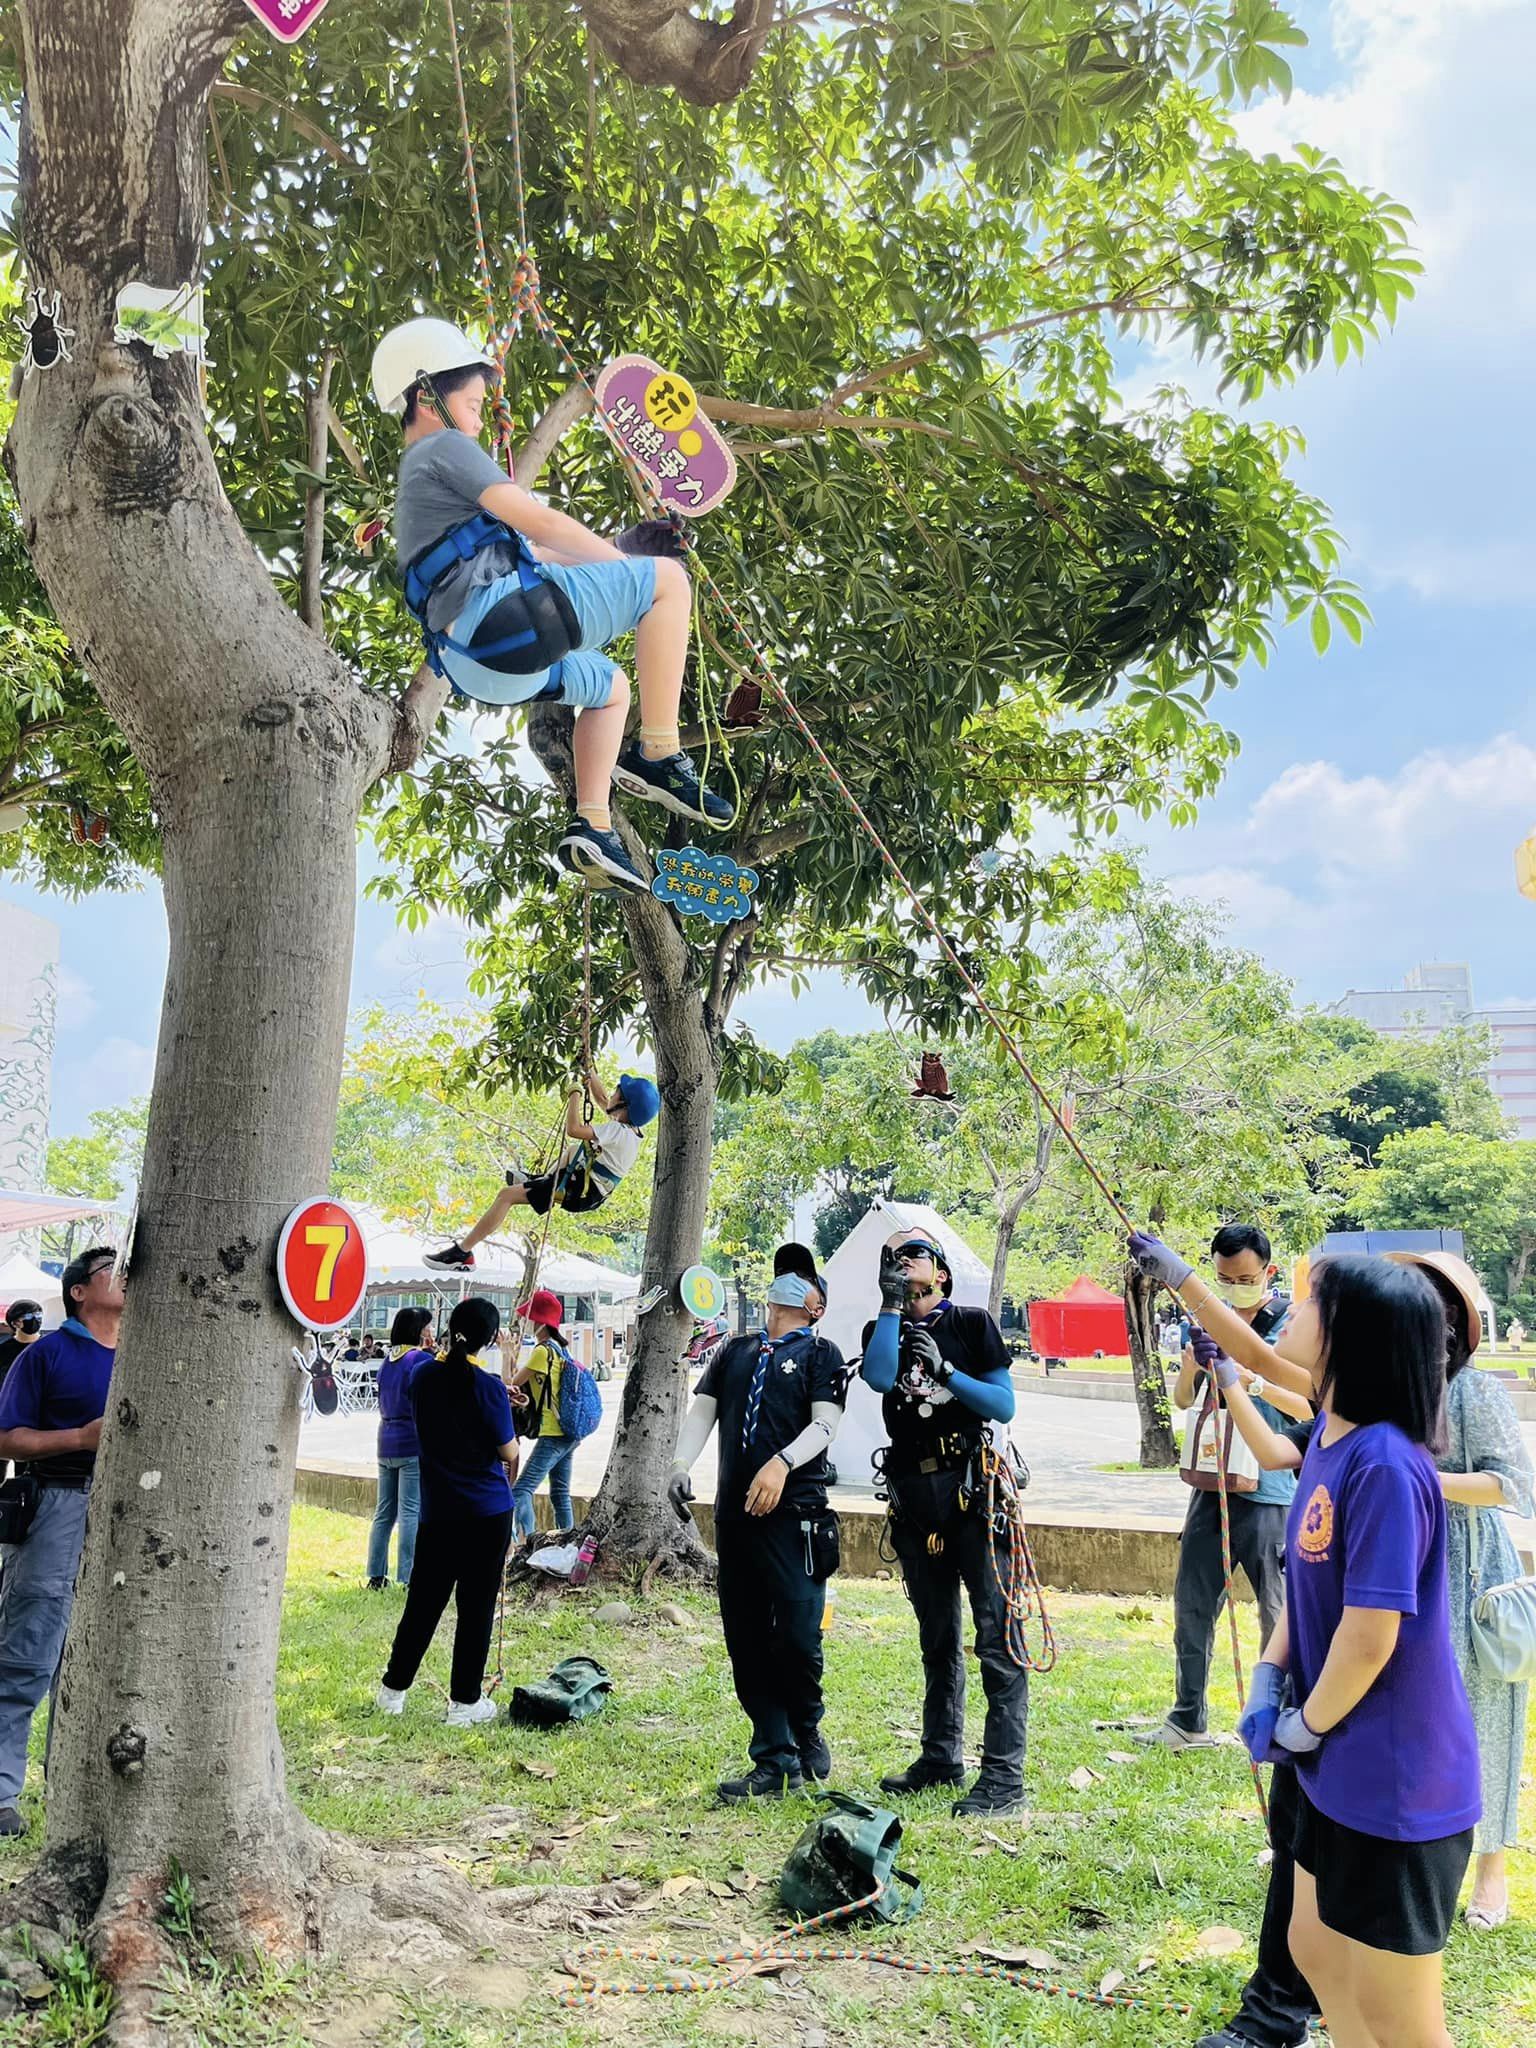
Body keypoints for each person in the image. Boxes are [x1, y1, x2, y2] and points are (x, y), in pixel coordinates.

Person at [1133, 1234, 1481, 2048]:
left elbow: (1369, 1636)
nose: (1293, 1309)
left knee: (1401, 2016)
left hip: (1396, 1782)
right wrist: (1269, 1675)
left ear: (1346, 1338)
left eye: (1313, 1301)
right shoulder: (1333, 1427)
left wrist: (1305, 1723)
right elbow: (1314, 1585)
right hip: (1332, 1765)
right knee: (1316, 1953)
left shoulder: (1388, 1466)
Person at [370, 317, 729, 895]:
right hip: (505, 622)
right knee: (669, 583)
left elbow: (534, 553)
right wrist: (635, 569)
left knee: (612, 688)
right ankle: (659, 751)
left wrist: (624, 550)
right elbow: (542, 520)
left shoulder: (422, 488)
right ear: (426, 396)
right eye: (472, 401)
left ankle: (592, 825)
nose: (482, 415)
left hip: (478, 662)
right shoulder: (443, 447)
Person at [667, 1243, 847, 1800]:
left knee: (796, 1635)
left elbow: (825, 1426)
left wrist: (781, 1462)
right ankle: (772, 1757)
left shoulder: (823, 1355)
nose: (789, 1283)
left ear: (816, 1306)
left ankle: (806, 1727)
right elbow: (703, 1413)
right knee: (745, 1638)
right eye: (783, 1275)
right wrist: (679, 1463)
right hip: (735, 1519)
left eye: (803, 1278)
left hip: (796, 1518)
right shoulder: (734, 1351)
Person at [1385, 1249, 1532, 1932]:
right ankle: (1415, 1855)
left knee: (1484, 1721)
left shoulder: (1473, 1391)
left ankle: (1492, 1867)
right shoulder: (1381, 1386)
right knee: (1414, 1721)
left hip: (1471, 1574)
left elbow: (1514, 1485)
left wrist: (1424, 1483)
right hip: (1404, 1563)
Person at [861, 1231, 1028, 1819]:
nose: (904, 1261)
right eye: (895, 1255)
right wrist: (887, 1307)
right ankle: (941, 1756)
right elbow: (880, 1378)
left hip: (970, 1492)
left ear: (942, 1273)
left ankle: (1005, 1777)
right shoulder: (883, 1327)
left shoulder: (973, 1323)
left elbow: (1002, 1406)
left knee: (997, 1637)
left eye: (916, 1253)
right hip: (913, 1497)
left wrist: (949, 1372)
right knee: (937, 1638)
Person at [1138, 1223, 1310, 1753]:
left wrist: (1248, 1379)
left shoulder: (1293, 1327)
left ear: (1269, 1273)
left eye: (1246, 1278)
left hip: (1271, 1490)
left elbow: (1308, 1408)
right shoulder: (1208, 1320)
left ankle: (1279, 1718)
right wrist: (1193, 1366)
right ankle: (1188, 1716)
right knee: (1192, 1603)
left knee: (1276, 1612)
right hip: (1211, 1485)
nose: (1236, 1287)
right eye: (1224, 1278)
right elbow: (1185, 1400)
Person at [0, 1246, 121, 1836]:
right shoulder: (46, 1352)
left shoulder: (146, 1355)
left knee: (91, 1659)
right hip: (56, 1504)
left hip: (127, 1517)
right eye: (110, 1270)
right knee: (28, 1650)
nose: (124, 1275)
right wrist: (80, 1437)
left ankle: (71, 1787)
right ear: (79, 1291)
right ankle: (1, 1792)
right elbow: (6, 1439)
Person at [375, 1297, 519, 1727]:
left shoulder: (422, 1376)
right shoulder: (488, 1386)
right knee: (476, 1608)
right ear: (491, 1338)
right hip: (487, 1512)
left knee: (422, 1603)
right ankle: (464, 1703)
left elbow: (448, 1390)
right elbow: (509, 1454)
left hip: (438, 1511)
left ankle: (392, 1691)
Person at [425, 1069, 659, 1271]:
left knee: (505, 1196)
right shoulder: (629, 1131)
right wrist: (590, 1072)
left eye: (619, 1089)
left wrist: (575, 1094)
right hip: (591, 1190)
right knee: (572, 1150)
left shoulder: (616, 1131)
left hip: (581, 1189)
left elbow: (574, 1128)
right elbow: (602, 1100)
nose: (613, 1091)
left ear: (625, 1105)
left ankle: (463, 1253)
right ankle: (540, 1180)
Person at [366, 1307, 433, 1590]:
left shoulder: (387, 1361)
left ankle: (376, 1575)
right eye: (427, 1327)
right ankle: (408, 1576)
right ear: (418, 1330)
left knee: (384, 1512)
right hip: (411, 1442)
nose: (430, 1331)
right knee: (410, 1511)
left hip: (386, 1441)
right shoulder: (419, 1359)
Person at [509, 1290, 580, 1539]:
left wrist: (507, 1350)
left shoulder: (541, 1352)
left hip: (553, 1433)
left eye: (529, 1317)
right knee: (560, 1493)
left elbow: (511, 1384)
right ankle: (567, 1542)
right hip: (570, 1431)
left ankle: (529, 1542)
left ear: (539, 1321)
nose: (526, 1322)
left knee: (521, 1491)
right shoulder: (561, 1350)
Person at [0, 1300, 44, 1395]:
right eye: (28, 1316)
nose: (35, 1319)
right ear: (15, 1323)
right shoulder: (4, 1351)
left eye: (38, 1315)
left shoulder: (50, 1346)